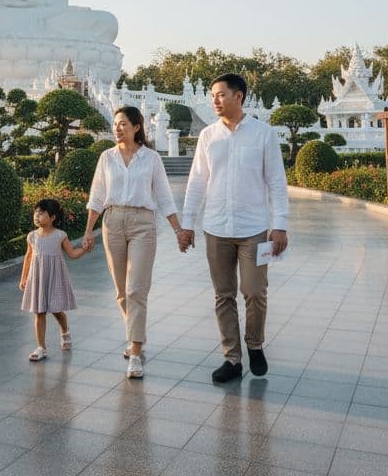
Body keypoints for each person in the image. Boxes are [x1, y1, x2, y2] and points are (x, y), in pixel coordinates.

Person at [182, 73, 290, 382]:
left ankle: (254, 344)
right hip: (216, 228)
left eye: (220, 94)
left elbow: (277, 183)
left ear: (238, 97)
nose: (214, 100)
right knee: (223, 295)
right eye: (212, 95)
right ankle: (232, 358)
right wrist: (187, 224)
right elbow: (196, 183)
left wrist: (279, 225)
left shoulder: (263, 134)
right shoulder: (208, 136)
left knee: (255, 292)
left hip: (254, 228)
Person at [82, 106, 186, 379]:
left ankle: (136, 351)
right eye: (115, 124)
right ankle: (135, 334)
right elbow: (96, 196)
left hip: (143, 224)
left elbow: (164, 196)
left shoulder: (151, 159)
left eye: (123, 123)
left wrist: (178, 230)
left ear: (136, 127)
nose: (117, 128)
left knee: (136, 289)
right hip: (112, 222)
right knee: (120, 291)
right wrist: (87, 232)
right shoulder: (106, 157)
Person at [20, 198, 93, 361]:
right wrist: (24, 277)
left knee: (55, 309)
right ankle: (41, 347)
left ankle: (65, 330)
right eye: (36, 213)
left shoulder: (60, 235)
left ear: (53, 217)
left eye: (42, 213)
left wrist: (84, 249)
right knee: (39, 312)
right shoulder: (32, 236)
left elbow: (72, 254)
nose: (37, 216)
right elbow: (28, 256)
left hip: (55, 277)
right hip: (38, 278)